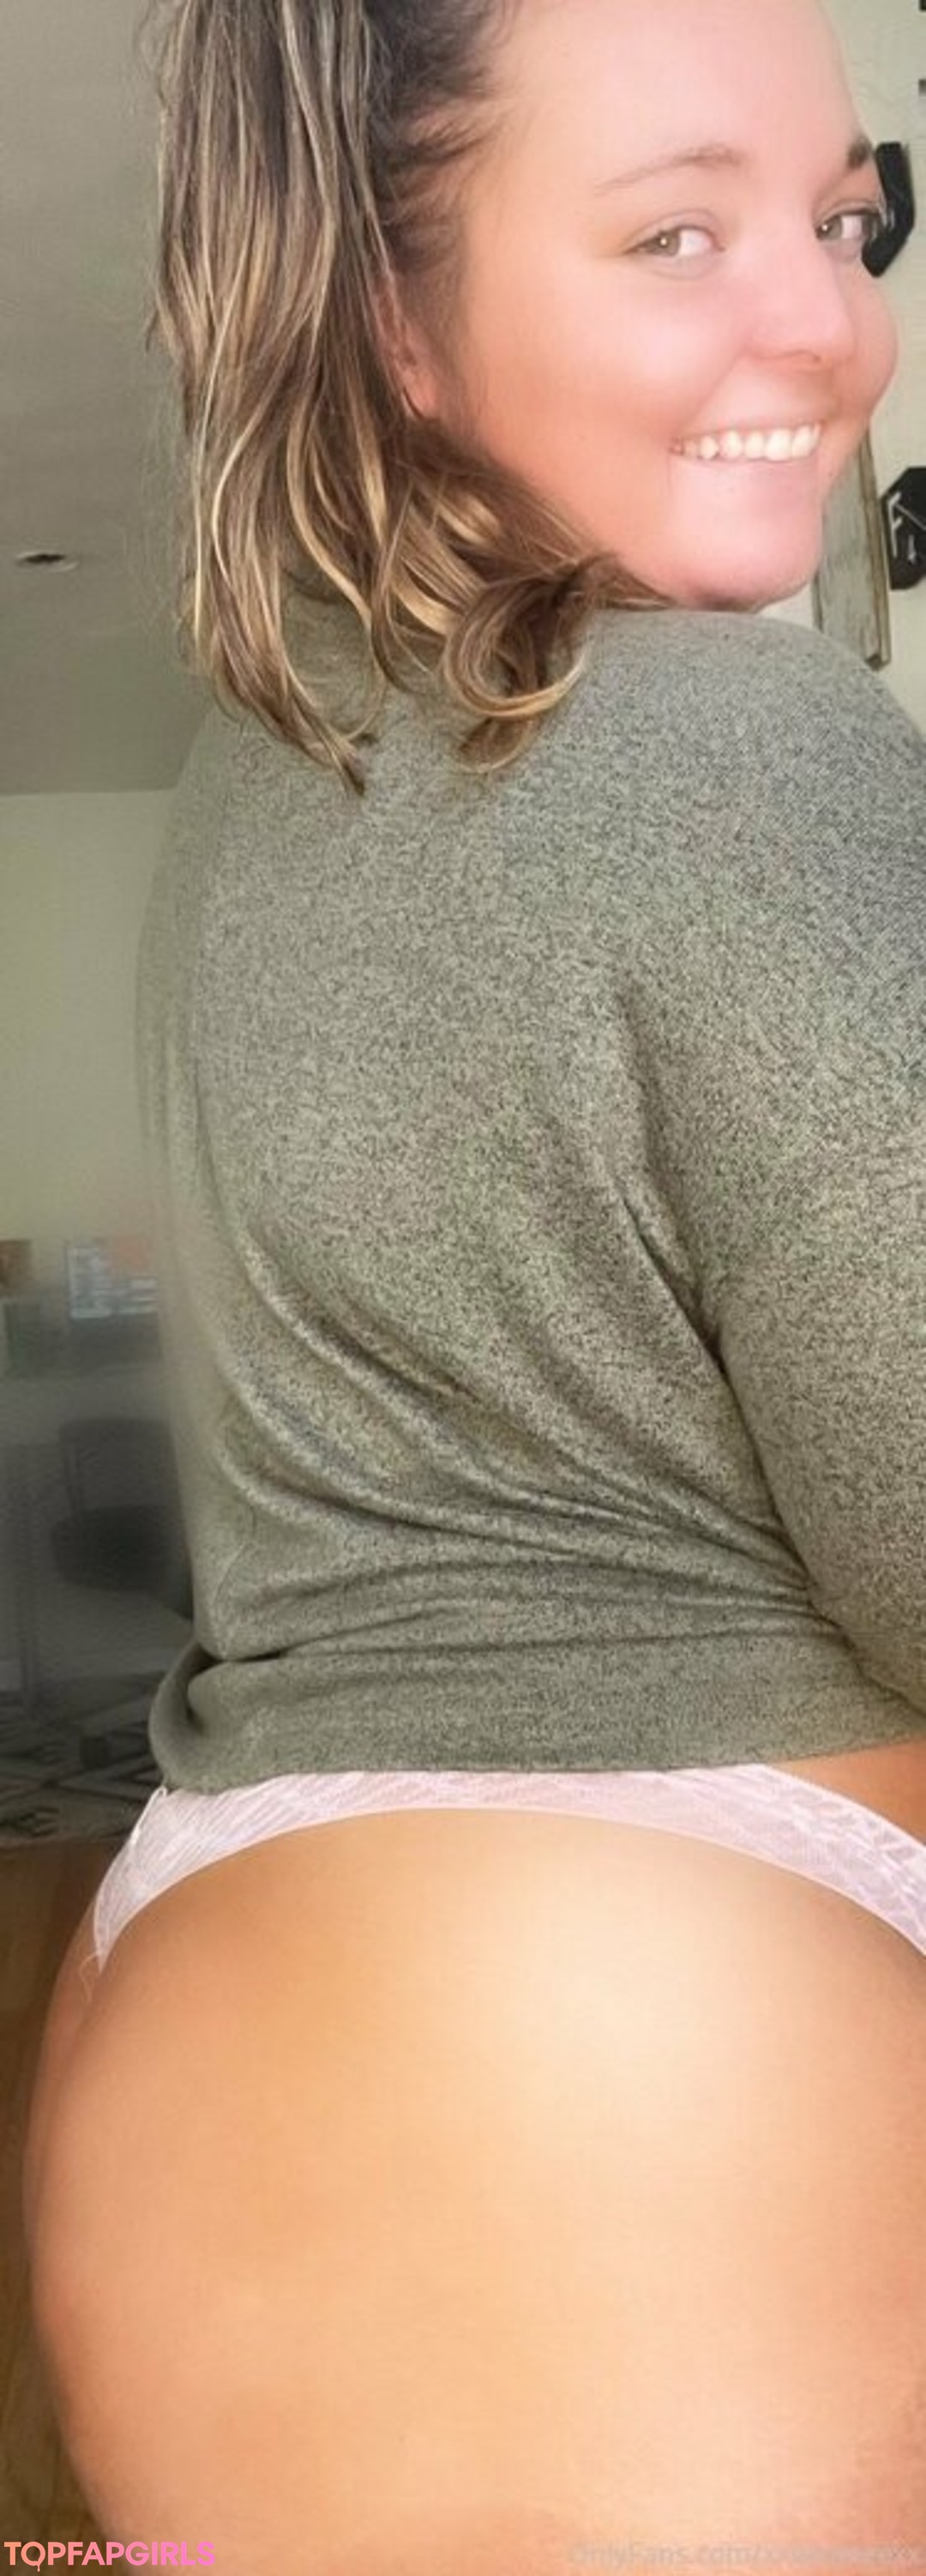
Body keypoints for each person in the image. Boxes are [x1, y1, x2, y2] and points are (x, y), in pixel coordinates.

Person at [23, 0, 926, 2566]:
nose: (827, 321)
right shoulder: (742, 748)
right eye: (677, 234)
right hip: (632, 2134)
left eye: (846, 217)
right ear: (396, 320)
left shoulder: (272, 779)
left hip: (243, 2066)